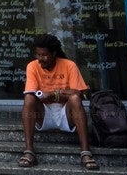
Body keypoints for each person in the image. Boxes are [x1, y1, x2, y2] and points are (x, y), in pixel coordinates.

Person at [19, 33, 98, 170]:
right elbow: (32, 93)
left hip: (66, 113)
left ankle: (85, 153)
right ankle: (29, 151)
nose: (40, 59)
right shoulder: (32, 66)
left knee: (74, 99)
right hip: (44, 113)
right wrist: (61, 93)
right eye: (37, 55)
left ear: (54, 53)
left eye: (44, 55)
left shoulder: (69, 65)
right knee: (29, 98)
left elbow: (77, 93)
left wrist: (53, 94)